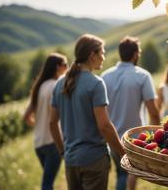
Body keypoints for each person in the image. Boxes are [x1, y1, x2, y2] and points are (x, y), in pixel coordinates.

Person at [49, 34, 125, 190]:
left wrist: (63, 152)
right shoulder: (96, 84)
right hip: (94, 160)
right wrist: (123, 153)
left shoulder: (59, 83)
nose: (103, 57)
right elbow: (104, 126)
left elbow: (51, 123)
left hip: (71, 161)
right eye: (102, 53)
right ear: (92, 55)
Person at [101, 36, 160, 190]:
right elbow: (153, 111)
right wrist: (157, 135)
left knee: (121, 174)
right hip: (135, 139)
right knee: (128, 175)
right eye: (138, 52)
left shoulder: (105, 76)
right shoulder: (143, 76)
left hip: (111, 136)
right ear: (135, 54)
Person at [23, 52, 68, 190]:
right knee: (47, 184)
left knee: (48, 180)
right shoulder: (56, 86)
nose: (67, 68)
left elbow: (26, 116)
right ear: (57, 67)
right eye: (65, 65)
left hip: (38, 143)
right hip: (52, 142)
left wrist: (38, 127)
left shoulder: (39, 87)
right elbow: (56, 118)